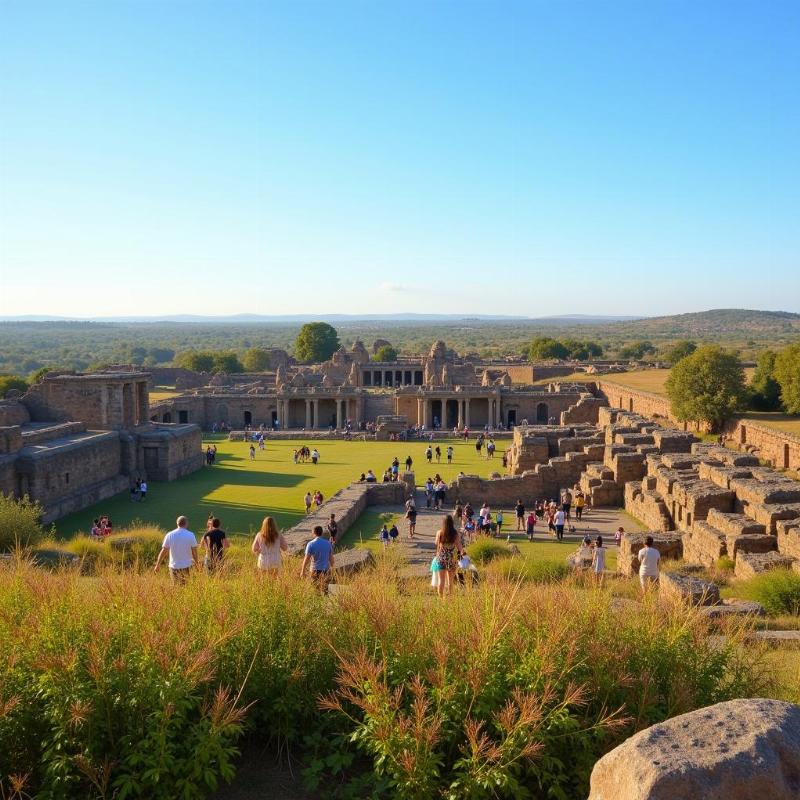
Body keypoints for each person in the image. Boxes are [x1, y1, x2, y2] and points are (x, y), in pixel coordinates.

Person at [154, 516, 198, 582]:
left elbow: (164, 551)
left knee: (176, 587)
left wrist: (158, 565)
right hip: (187, 566)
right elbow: (194, 551)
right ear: (186, 524)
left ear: (177, 523)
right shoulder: (191, 535)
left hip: (174, 566)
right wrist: (197, 564)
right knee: (187, 587)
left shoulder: (170, 535)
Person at [300, 525, 334, 591]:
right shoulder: (328, 544)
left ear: (313, 533)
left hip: (314, 570)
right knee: (324, 590)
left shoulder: (311, 544)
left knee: (314, 590)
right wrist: (332, 569)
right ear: (321, 533)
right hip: (325, 570)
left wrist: (302, 571)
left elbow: (306, 559)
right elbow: (331, 558)